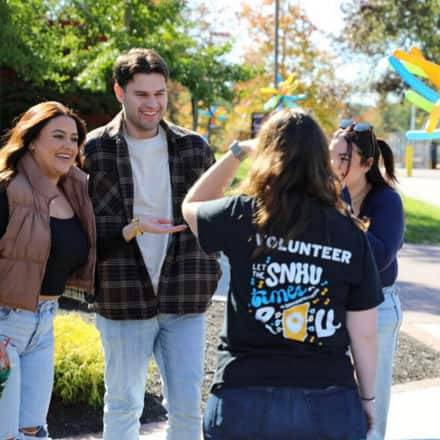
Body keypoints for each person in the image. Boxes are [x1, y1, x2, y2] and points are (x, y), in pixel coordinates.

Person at [182, 108, 384, 440]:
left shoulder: (242, 214)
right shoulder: (349, 231)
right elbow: (364, 332)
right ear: (322, 159)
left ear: (265, 154)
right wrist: (369, 398)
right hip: (327, 401)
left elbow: (192, 205)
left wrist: (237, 151)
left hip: (243, 396)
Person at [82, 48, 221, 440]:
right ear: (119, 92)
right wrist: (132, 228)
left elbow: (210, 218)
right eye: (142, 94)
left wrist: (212, 269)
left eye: (159, 93)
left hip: (184, 295)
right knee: (123, 405)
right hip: (123, 296)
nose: (153, 103)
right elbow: (89, 227)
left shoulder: (194, 147)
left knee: (187, 406)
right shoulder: (95, 149)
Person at [0, 101, 96, 440]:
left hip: (43, 324)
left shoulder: (72, 192)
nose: (68, 146)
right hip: (4, 325)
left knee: (32, 429)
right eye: (58, 136)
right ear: (31, 140)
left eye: (74, 138)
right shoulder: (7, 189)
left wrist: (135, 230)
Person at [330, 120, 405, 440]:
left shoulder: (387, 201)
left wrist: (341, 208)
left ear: (368, 163)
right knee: (330, 397)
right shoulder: (326, 195)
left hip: (378, 308)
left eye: (345, 157)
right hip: (333, 306)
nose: (335, 164)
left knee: (370, 403)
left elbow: (379, 257)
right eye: (332, 155)